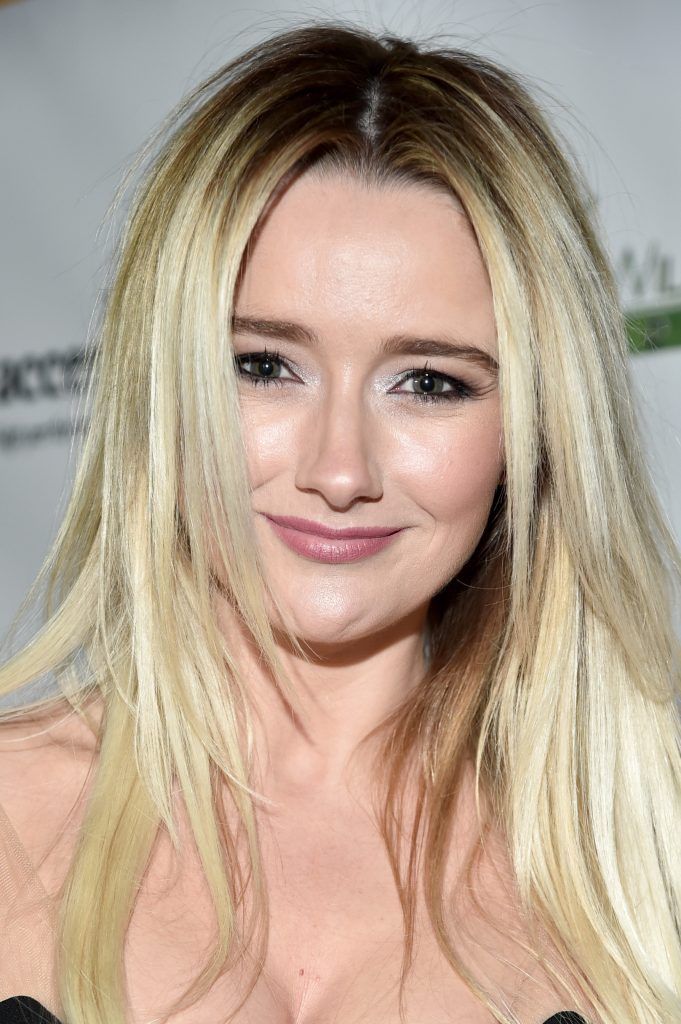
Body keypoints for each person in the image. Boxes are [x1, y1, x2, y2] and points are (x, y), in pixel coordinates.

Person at [0, 19, 679, 1024]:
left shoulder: (644, 869)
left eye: (430, 382)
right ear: (164, 382)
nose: (340, 468)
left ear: (534, 433)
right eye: (265, 365)